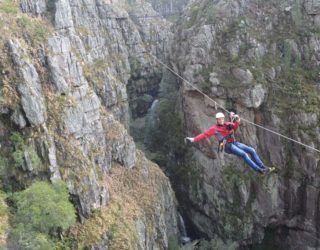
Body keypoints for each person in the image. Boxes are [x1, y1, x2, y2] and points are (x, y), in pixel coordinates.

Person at [185, 112, 274, 174]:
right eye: (219, 119)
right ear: (217, 120)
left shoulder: (227, 124)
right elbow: (204, 135)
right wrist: (193, 139)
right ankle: (259, 170)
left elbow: (235, 125)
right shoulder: (214, 129)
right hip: (227, 146)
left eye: (222, 119)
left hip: (234, 143)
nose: (221, 120)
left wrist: (237, 118)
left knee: (252, 150)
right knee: (244, 154)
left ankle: (263, 167)